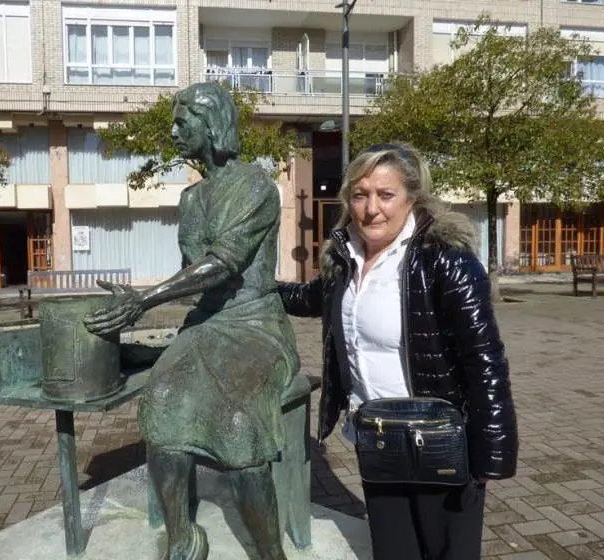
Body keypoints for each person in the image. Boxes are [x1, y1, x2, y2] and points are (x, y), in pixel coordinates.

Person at [83, 82, 300, 560]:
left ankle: (270, 553)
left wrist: (145, 300)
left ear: (213, 124)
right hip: (205, 324)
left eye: (184, 122)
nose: (174, 131)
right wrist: (147, 301)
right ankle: (183, 537)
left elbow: (223, 262)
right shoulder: (190, 199)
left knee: (239, 422)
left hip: (255, 325)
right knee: (161, 400)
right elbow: (196, 275)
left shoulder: (256, 186)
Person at [278, 143, 518, 560]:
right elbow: (312, 298)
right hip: (378, 439)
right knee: (394, 551)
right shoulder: (344, 259)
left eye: (385, 195)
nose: (371, 208)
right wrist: (257, 290)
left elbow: (485, 362)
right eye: (360, 194)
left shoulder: (446, 262)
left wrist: (490, 457)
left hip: (440, 441)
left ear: (412, 198)